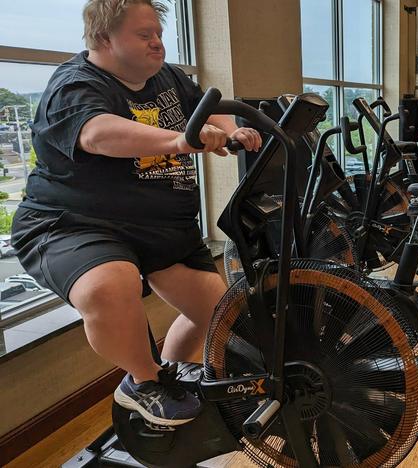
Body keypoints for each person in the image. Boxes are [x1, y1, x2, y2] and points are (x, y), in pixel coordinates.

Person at [11, 0, 262, 427]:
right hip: (75, 225)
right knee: (108, 285)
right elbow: (98, 134)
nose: (157, 43)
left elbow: (200, 105)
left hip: (160, 229)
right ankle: (143, 383)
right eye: (144, 35)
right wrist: (179, 141)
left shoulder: (166, 77)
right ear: (104, 38)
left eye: (158, 34)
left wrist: (231, 128)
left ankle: (166, 373)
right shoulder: (74, 86)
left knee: (219, 315)